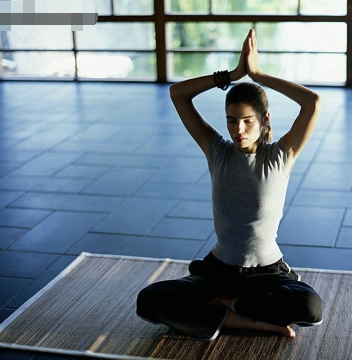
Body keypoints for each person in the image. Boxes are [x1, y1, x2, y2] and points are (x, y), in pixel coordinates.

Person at [136, 29, 323, 341]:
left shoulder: (280, 156)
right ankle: (247, 320)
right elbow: (177, 93)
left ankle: (226, 311)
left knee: (309, 307)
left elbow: (312, 102)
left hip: (267, 275)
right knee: (149, 301)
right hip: (218, 272)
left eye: (248, 121)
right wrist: (232, 75)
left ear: (265, 119)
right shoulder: (218, 151)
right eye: (232, 120)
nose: (239, 129)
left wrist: (259, 74)